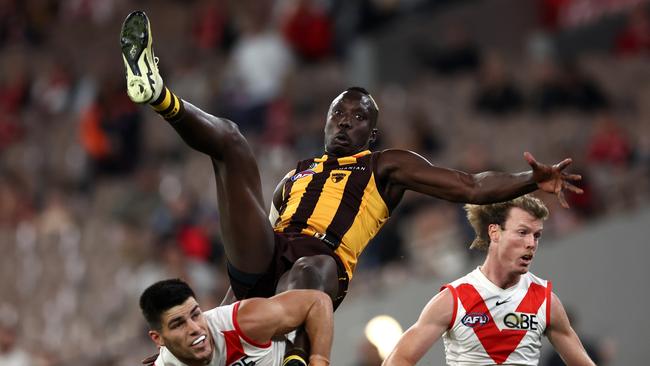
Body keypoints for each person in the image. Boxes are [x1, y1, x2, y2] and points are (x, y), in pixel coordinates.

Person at [120, 10, 582, 365]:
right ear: (324, 124)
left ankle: (300, 359)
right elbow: (244, 283)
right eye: (338, 114)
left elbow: (470, 185)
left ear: (372, 134)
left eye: (358, 117)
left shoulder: (385, 165)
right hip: (270, 259)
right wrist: (206, 335)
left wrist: (530, 179)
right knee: (235, 147)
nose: (345, 122)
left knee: (312, 269)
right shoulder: (293, 179)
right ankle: (158, 93)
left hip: (323, 264)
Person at [382, 195, 596, 366]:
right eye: (522, 232)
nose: (531, 243)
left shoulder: (546, 301)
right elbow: (397, 360)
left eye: (537, 235)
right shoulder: (453, 300)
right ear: (494, 232)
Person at [139, 278, 333, 366]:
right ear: (158, 339)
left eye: (196, 314)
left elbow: (317, 302)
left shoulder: (242, 322)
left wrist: (318, 361)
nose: (195, 328)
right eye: (178, 324)